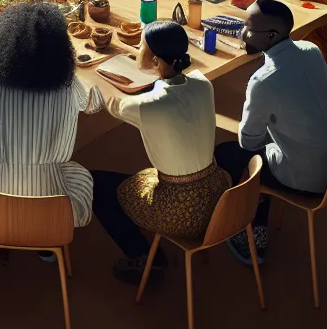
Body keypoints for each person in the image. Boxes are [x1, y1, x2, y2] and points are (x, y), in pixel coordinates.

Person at [90, 22, 230, 283]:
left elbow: (109, 103)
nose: (137, 49)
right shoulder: (203, 84)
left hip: (182, 212)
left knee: (95, 184)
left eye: (141, 45)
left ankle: (144, 258)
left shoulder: (149, 106)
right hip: (218, 195)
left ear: (155, 59)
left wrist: (92, 80)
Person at [214, 0, 327, 265]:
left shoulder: (264, 81)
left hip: (306, 180)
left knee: (228, 154)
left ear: (272, 35)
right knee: (272, 139)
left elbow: (248, 142)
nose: (242, 34)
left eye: (248, 29)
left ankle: (250, 229)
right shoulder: (311, 49)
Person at [0, 3, 106, 225]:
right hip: (57, 210)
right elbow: (91, 104)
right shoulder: (67, 84)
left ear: (3, 44)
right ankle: (47, 246)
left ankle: (7, 235)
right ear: (60, 49)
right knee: (78, 174)